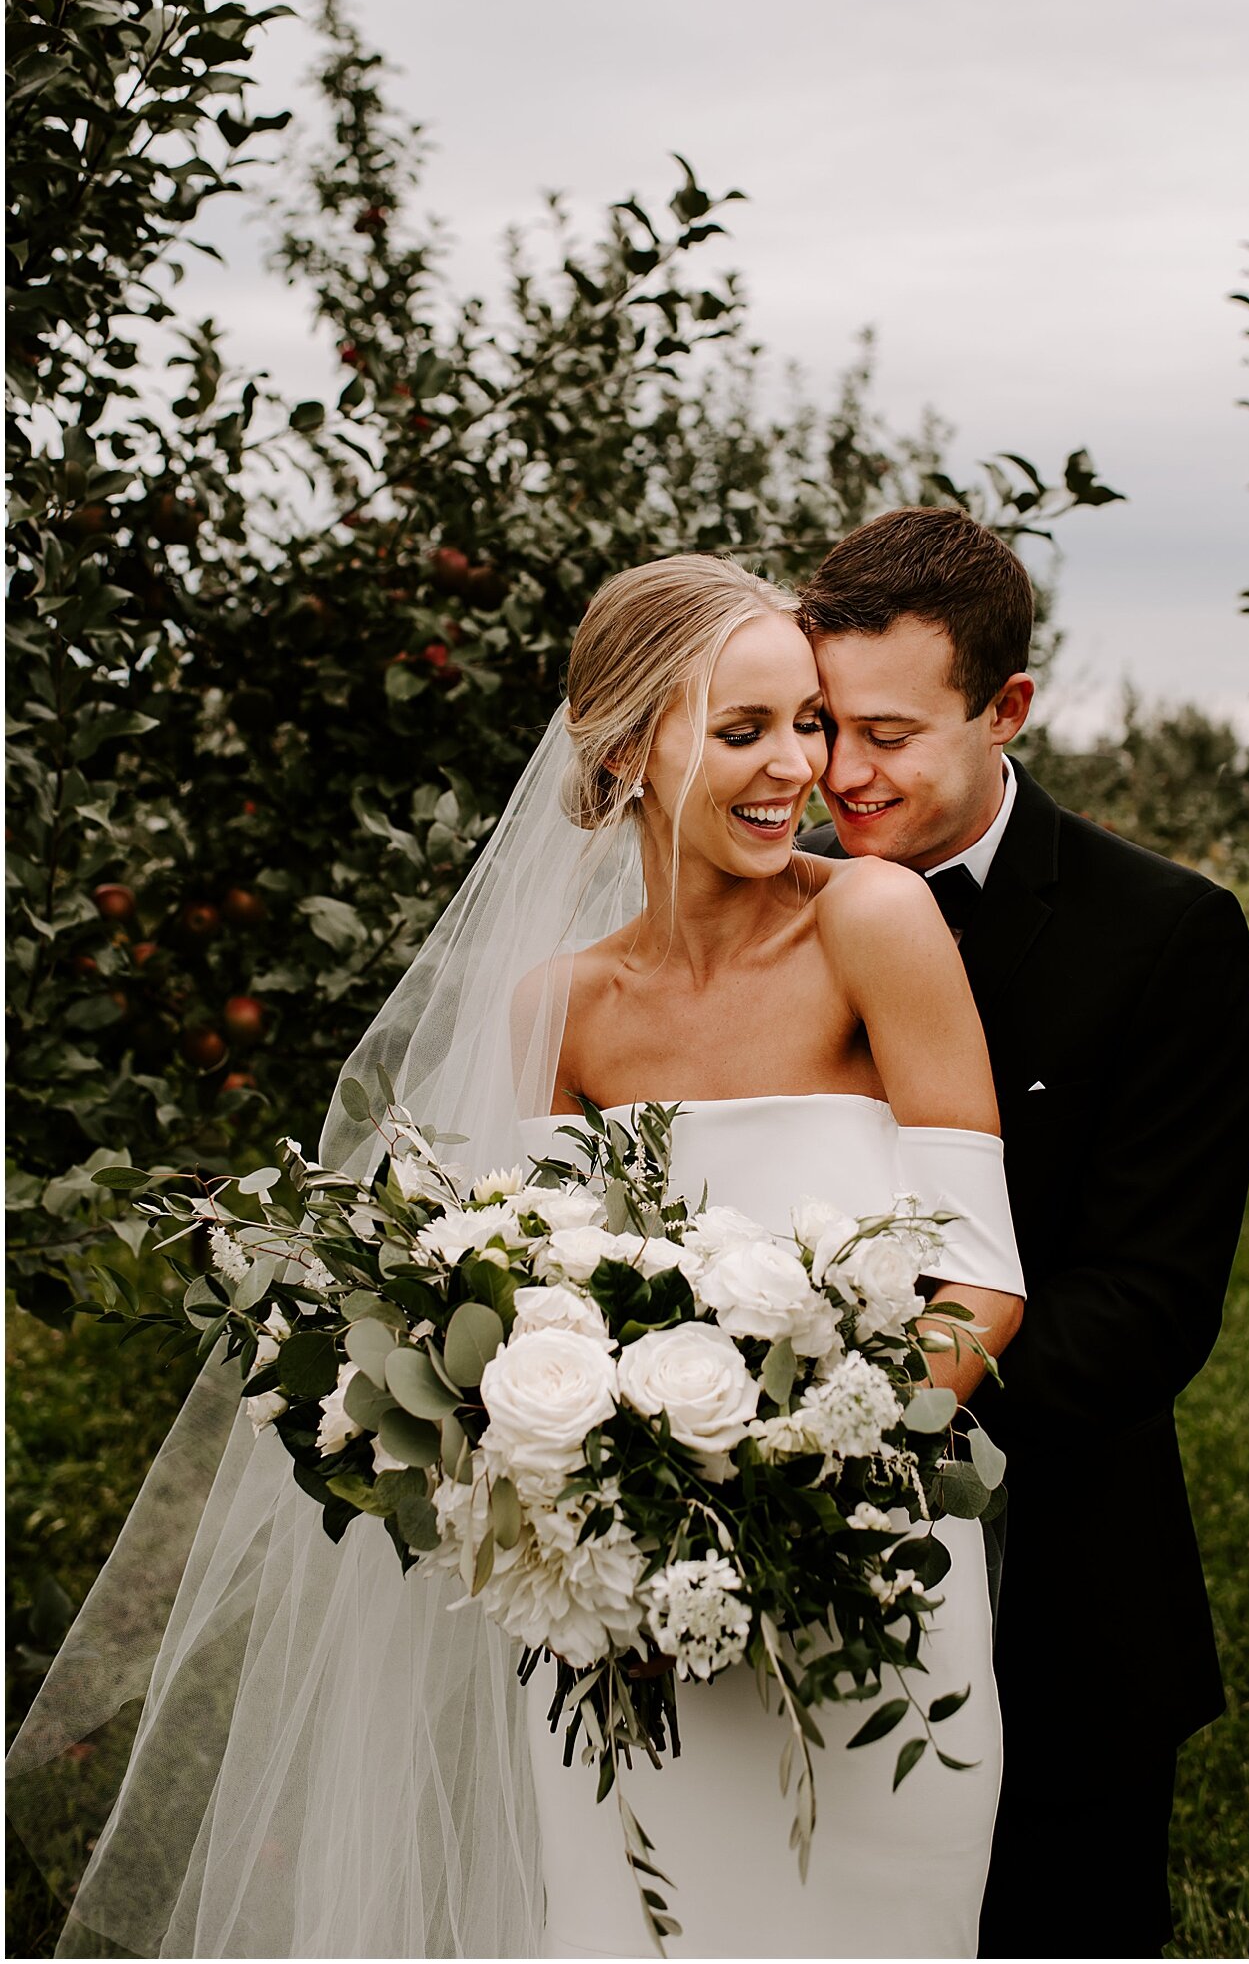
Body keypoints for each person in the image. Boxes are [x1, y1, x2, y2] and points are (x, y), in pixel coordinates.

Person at [9, 554, 1024, 1961]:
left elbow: (982, 1278)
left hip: (867, 1589)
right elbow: (543, 1304)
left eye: (810, 722)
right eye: (744, 730)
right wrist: (598, 1510)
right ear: (624, 754)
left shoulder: (871, 922)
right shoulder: (564, 1006)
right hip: (632, 1633)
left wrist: (793, 1501)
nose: (798, 765)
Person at [797, 506, 1249, 1963]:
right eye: (823, 726)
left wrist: (862, 1421)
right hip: (769, 1582)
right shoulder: (770, 911)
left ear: (1007, 710)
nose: (841, 775)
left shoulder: (1163, 933)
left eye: (889, 732)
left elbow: (1148, 1298)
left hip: (1062, 1586)